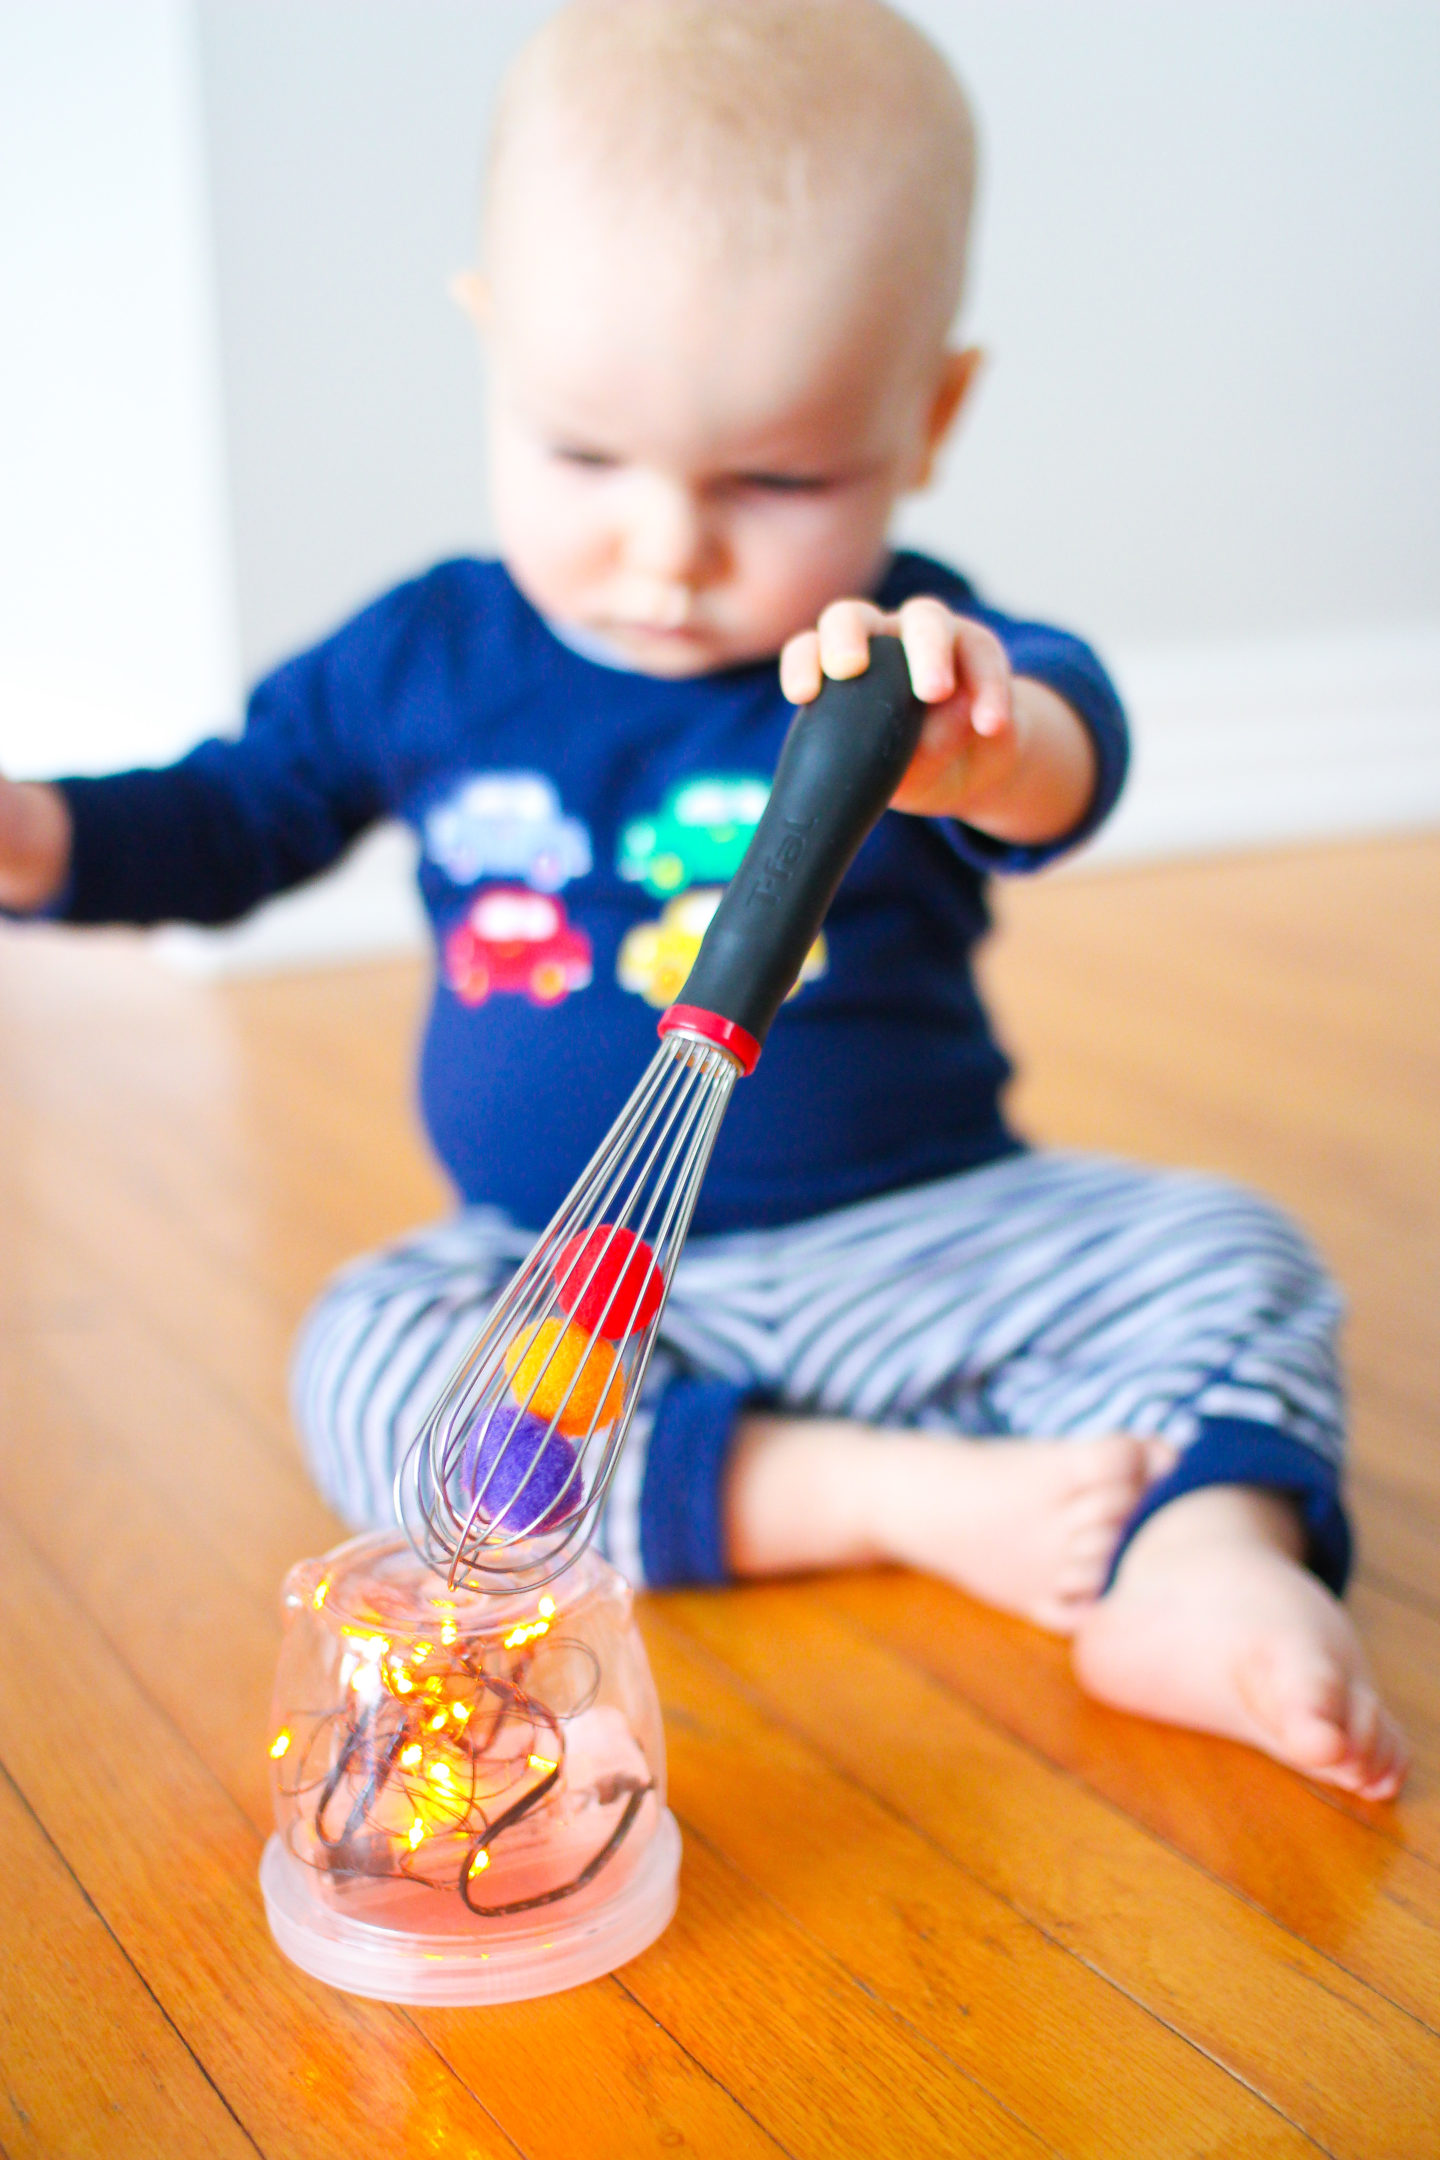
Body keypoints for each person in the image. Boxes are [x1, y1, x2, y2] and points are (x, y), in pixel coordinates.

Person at [0, 0, 1403, 1797]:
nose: (668, 544)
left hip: (924, 1243)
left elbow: (1075, 745)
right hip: (570, 1290)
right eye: (586, 456)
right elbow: (230, 815)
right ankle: (864, 1495)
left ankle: (1208, 1567)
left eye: (777, 478)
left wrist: (984, 745)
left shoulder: (904, 647)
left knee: (1232, 1256)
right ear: (493, 354)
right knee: (364, 1352)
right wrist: (43, 833)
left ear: (929, 413)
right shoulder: (433, 653)